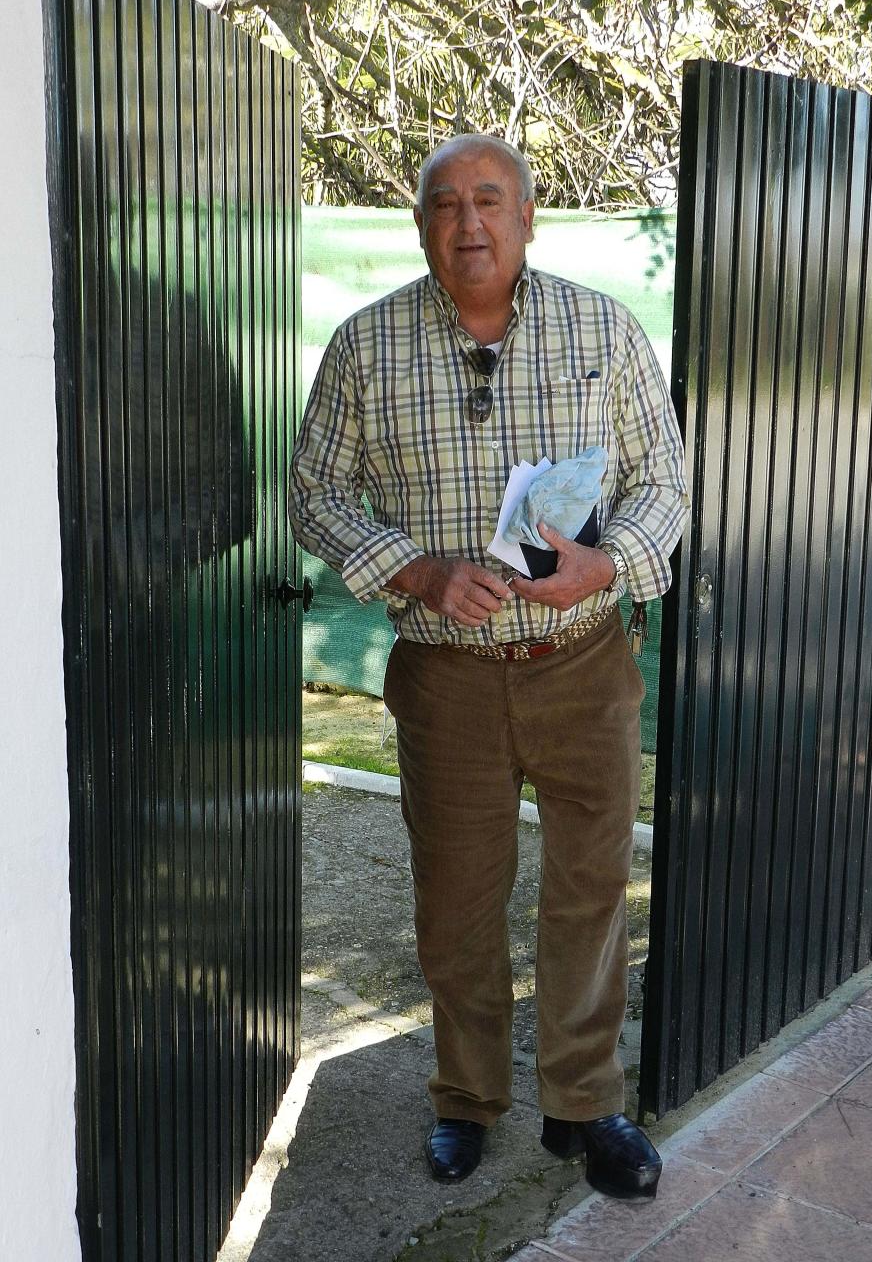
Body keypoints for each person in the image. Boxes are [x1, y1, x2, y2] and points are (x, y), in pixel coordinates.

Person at [289, 134, 688, 1199]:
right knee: (458, 902)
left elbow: (668, 482)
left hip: (585, 661)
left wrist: (611, 561)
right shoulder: (366, 345)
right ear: (422, 223)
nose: (470, 223)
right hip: (447, 678)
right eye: (447, 205)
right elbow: (313, 492)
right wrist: (416, 569)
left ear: (527, 216)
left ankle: (584, 1100)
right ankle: (465, 1097)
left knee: (589, 890)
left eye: (491, 201)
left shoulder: (601, 329)